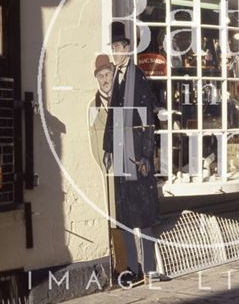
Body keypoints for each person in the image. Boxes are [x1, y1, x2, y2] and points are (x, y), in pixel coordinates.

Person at [103, 21, 163, 286]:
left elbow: (148, 119)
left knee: (144, 213)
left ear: (128, 49)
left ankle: (149, 268)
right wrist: (107, 146)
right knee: (125, 213)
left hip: (137, 153)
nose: (117, 52)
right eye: (114, 48)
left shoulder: (137, 76)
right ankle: (132, 268)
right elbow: (112, 116)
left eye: (119, 47)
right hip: (120, 149)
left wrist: (147, 157)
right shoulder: (117, 76)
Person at [87, 54, 129, 275]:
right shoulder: (93, 108)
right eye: (101, 75)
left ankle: (135, 263)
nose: (105, 79)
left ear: (113, 75)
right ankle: (122, 266)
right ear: (97, 79)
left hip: (128, 166)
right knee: (115, 218)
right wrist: (108, 165)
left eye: (107, 74)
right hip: (111, 169)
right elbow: (95, 143)